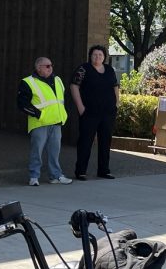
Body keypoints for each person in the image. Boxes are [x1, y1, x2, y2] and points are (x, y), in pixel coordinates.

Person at [17, 56, 71, 186]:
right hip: (40, 123)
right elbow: (22, 104)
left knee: (54, 151)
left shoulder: (57, 80)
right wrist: (38, 114)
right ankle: (34, 176)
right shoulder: (28, 82)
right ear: (38, 68)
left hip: (56, 122)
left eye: (51, 65)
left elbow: (60, 100)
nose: (50, 68)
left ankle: (55, 176)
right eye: (47, 66)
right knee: (37, 151)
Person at [70, 44, 121, 180]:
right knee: (85, 142)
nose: (97, 57)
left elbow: (115, 86)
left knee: (105, 142)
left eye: (100, 55)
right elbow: (74, 86)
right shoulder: (84, 69)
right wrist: (80, 107)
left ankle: (104, 170)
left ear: (104, 57)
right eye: (95, 55)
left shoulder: (109, 69)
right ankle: (81, 171)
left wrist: (117, 103)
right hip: (89, 113)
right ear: (90, 56)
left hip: (108, 113)